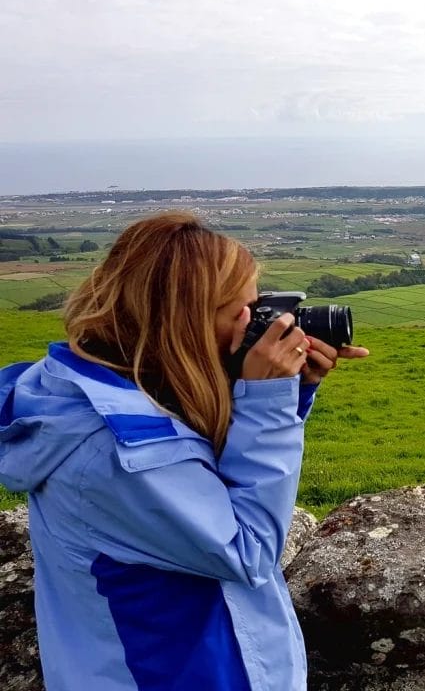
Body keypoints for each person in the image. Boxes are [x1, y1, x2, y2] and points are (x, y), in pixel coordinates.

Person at [0, 211, 368, 690]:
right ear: (183, 322)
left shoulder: (122, 387)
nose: (256, 326)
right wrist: (266, 403)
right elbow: (247, 551)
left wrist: (289, 391)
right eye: (241, 312)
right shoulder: (116, 450)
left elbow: (207, 474)